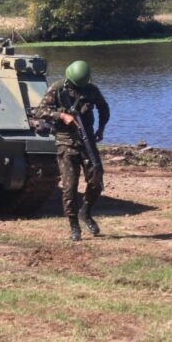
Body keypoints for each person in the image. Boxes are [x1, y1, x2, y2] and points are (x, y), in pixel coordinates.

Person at [35, 60, 110, 241]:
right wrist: (61, 115)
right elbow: (40, 111)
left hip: (87, 141)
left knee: (96, 179)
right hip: (66, 143)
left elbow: (104, 109)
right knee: (69, 187)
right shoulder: (58, 88)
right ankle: (74, 225)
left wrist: (100, 129)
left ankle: (86, 212)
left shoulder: (91, 89)